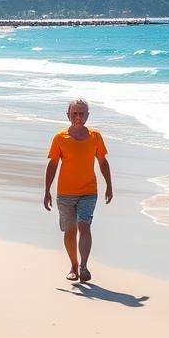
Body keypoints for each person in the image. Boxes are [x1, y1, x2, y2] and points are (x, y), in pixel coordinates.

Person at [43, 98, 113, 284]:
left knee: (84, 226)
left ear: (88, 116)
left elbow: (103, 162)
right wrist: (47, 191)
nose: (78, 117)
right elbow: (52, 164)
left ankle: (83, 266)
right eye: (74, 113)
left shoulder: (95, 136)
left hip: (88, 192)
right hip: (65, 193)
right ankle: (73, 266)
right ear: (68, 115)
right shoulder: (60, 138)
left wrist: (109, 185)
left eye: (82, 113)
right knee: (70, 230)